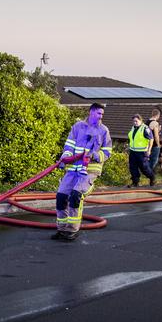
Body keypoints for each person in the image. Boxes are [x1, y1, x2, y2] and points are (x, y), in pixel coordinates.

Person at [52, 103, 112, 241]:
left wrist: (95, 156)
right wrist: (65, 158)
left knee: (75, 195)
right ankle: (62, 229)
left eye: (102, 114)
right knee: (61, 196)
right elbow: (69, 145)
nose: (101, 116)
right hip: (73, 169)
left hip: (90, 170)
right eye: (98, 113)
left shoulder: (104, 130)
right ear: (91, 112)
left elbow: (107, 151)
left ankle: (72, 230)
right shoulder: (77, 127)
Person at [127, 114, 156, 187]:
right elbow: (132, 139)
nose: (135, 123)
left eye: (136, 121)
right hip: (133, 152)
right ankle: (135, 182)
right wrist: (129, 146)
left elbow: (151, 139)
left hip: (142, 153)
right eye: (133, 121)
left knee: (144, 168)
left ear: (141, 120)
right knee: (132, 167)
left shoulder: (145, 128)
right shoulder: (133, 128)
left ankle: (152, 177)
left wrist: (149, 150)